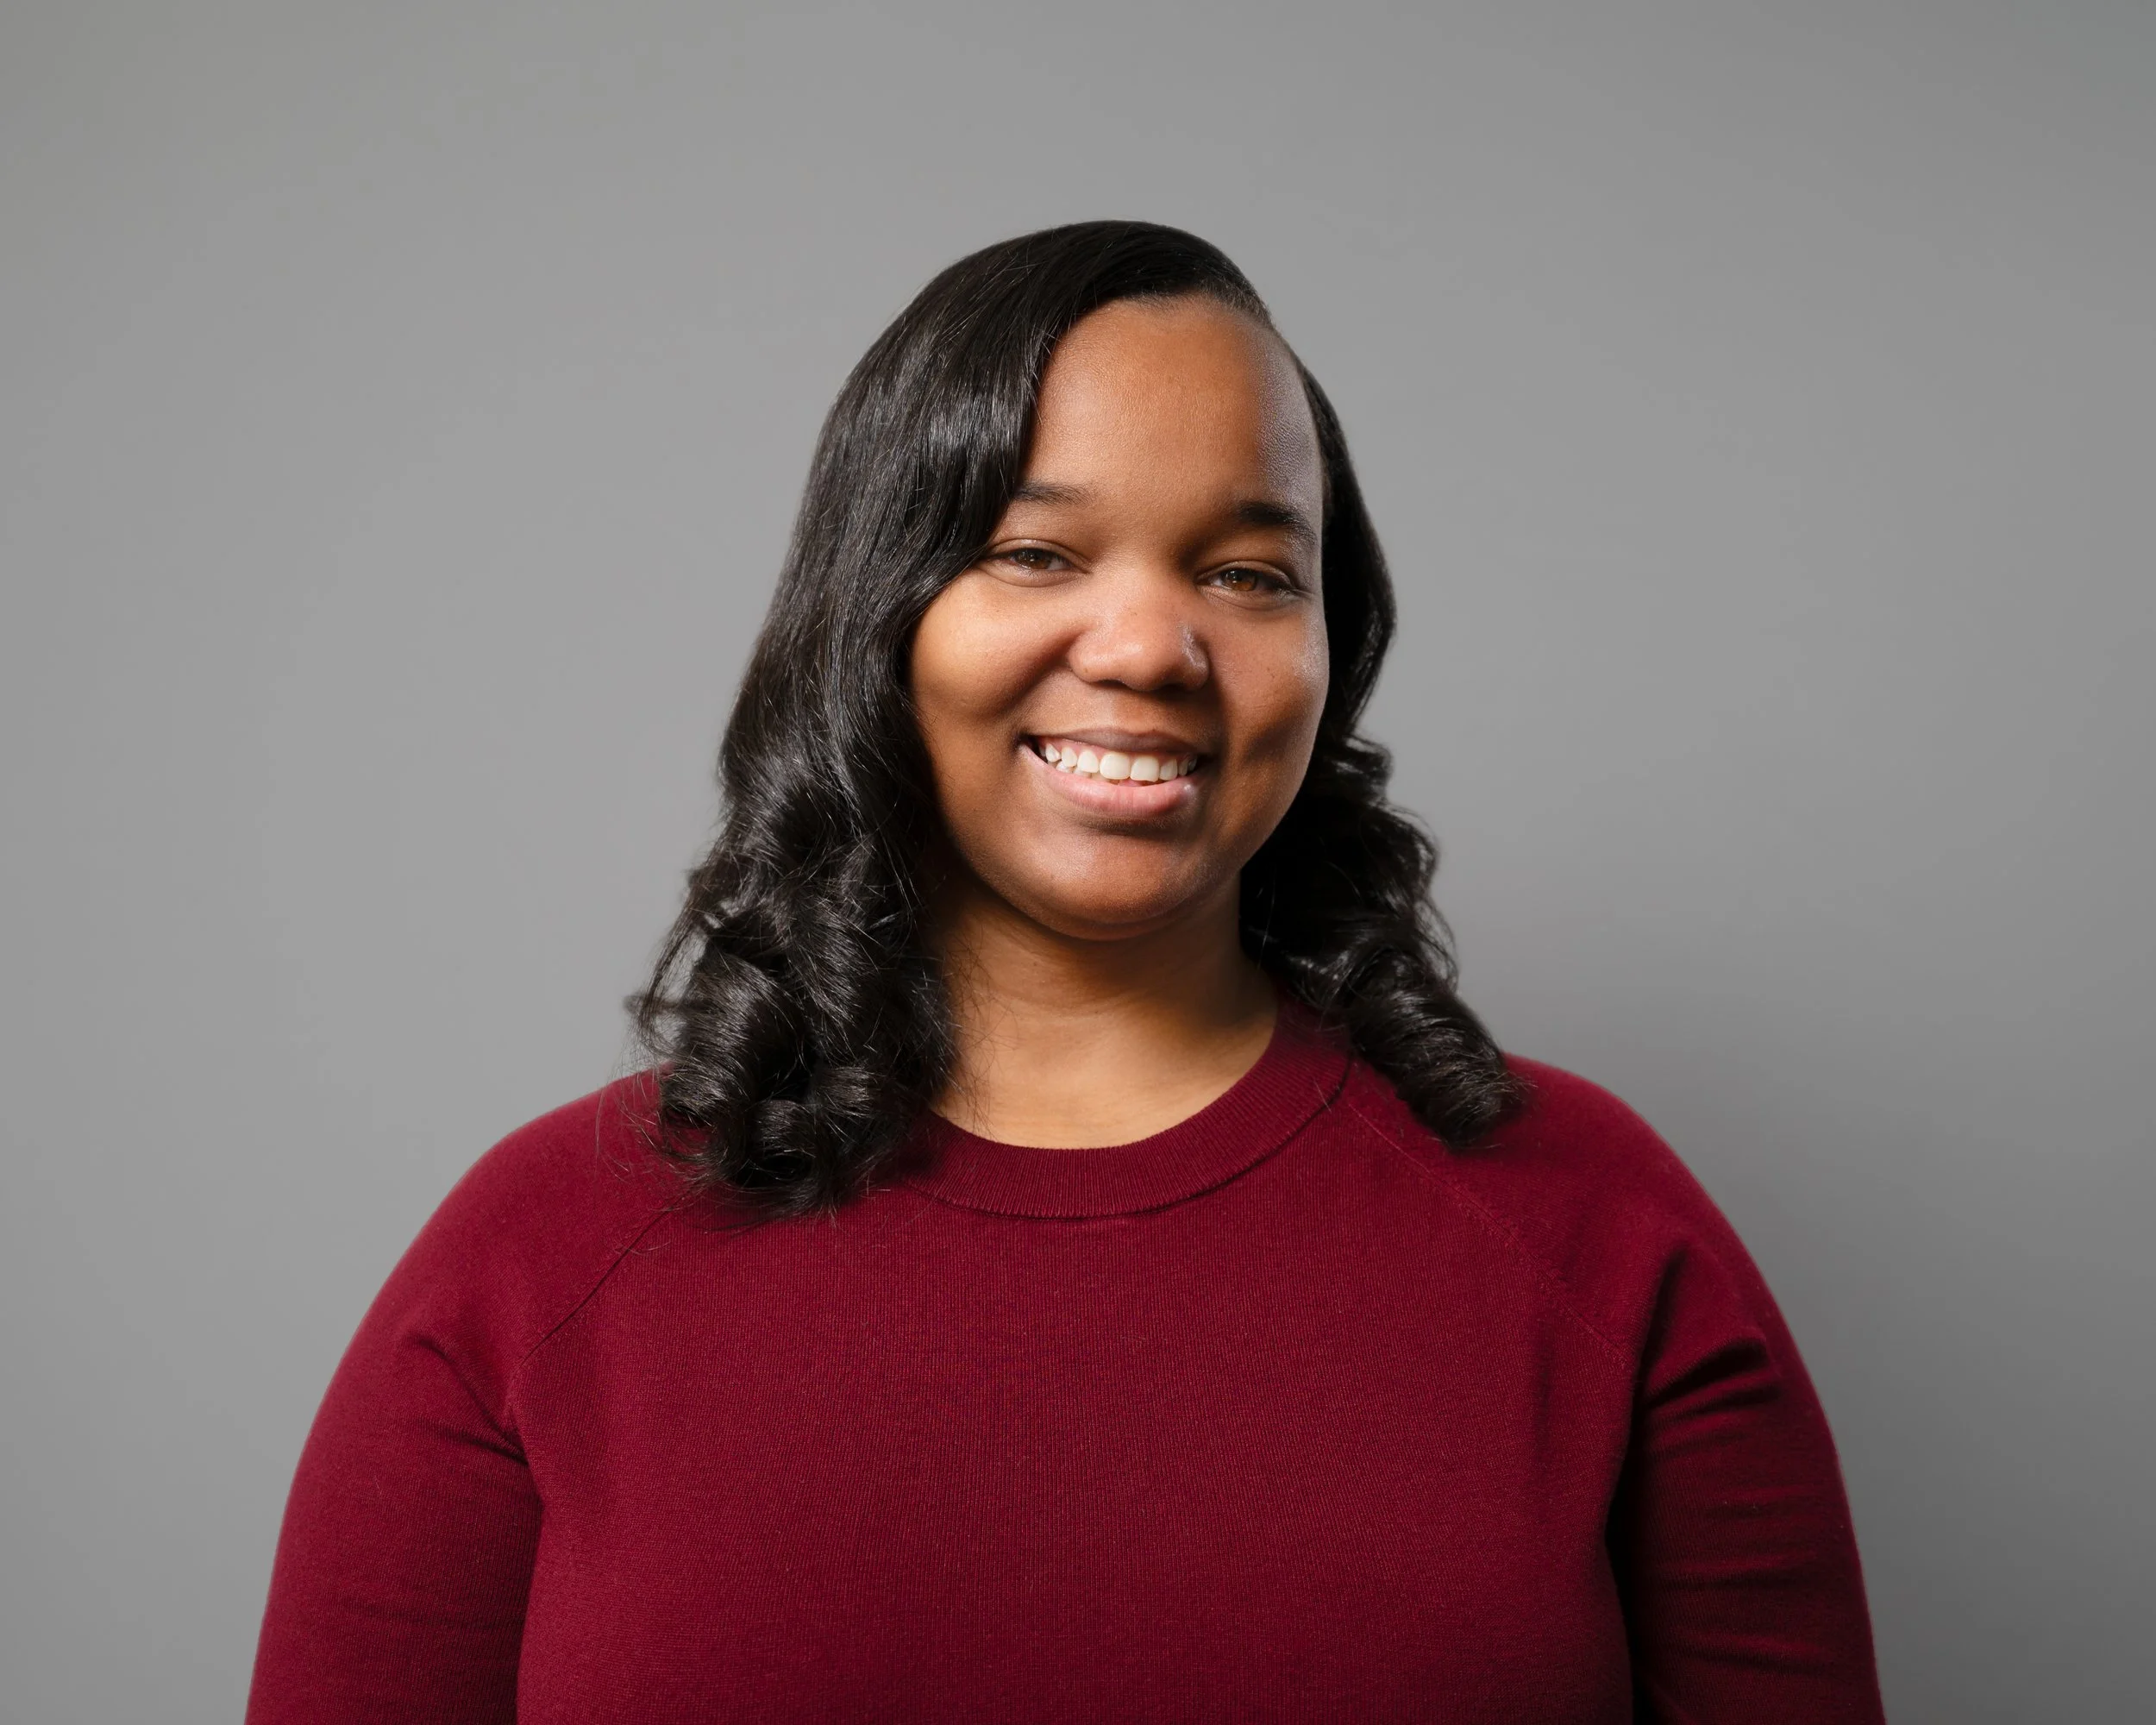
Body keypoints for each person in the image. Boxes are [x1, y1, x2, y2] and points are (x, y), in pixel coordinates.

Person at [246, 221, 1885, 1722]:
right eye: (1037, 553)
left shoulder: (1593, 1231)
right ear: (876, 616)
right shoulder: (540, 1265)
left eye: (1249, 574)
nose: (1151, 647)